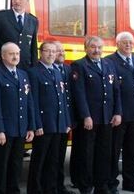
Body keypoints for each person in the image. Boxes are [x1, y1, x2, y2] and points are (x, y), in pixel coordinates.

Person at [70, 36, 122, 194]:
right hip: (89, 119)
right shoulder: (79, 65)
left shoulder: (108, 64)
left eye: (99, 47)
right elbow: (79, 94)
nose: (96, 50)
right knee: (86, 154)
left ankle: (101, 185)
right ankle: (85, 186)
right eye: (93, 47)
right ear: (86, 48)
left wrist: (118, 112)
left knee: (104, 153)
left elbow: (116, 91)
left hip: (106, 118)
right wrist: (86, 115)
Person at [0, 42, 35, 194]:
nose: (15, 57)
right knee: (1, 165)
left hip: (20, 128)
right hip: (5, 131)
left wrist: (31, 126)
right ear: (2, 56)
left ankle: (13, 191)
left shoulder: (23, 75)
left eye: (17, 54)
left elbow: (29, 102)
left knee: (16, 164)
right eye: (11, 54)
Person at [105, 32, 134, 194]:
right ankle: (112, 183)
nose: (128, 45)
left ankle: (130, 182)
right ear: (118, 44)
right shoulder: (110, 61)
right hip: (119, 115)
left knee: (132, 151)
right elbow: (111, 91)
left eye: (130, 42)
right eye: (124, 42)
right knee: (114, 151)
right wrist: (117, 112)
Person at [27, 41, 72, 194]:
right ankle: (35, 190)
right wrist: (37, 125)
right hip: (44, 125)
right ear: (41, 52)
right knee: (39, 161)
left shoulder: (57, 72)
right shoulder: (34, 72)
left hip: (58, 124)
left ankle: (50, 189)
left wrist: (66, 122)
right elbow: (32, 101)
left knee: (54, 160)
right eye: (48, 51)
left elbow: (63, 99)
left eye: (54, 51)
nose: (51, 54)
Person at [0, 0, 38, 69]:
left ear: (27, 1)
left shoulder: (33, 20)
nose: (16, 1)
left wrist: (34, 69)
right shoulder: (0, 17)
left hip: (24, 68)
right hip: (3, 67)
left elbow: (33, 48)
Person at [54, 41, 76, 194]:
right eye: (57, 50)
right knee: (51, 156)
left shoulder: (69, 69)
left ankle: (59, 186)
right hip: (53, 120)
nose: (61, 53)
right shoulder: (47, 70)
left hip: (66, 120)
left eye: (62, 50)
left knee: (61, 155)